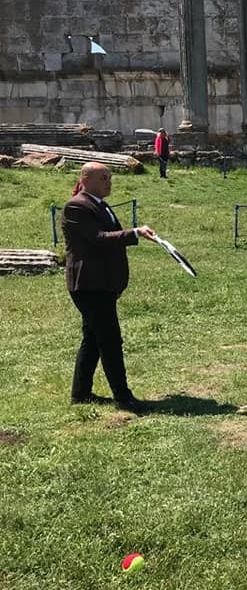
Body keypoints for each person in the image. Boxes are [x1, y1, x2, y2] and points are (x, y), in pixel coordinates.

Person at [62, 162, 156, 413]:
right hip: (89, 285)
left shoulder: (99, 204)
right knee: (110, 340)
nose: (109, 182)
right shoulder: (77, 206)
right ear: (86, 179)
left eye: (110, 177)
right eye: (103, 178)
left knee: (92, 339)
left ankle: (80, 393)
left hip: (102, 283)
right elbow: (98, 239)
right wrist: (134, 232)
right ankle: (123, 398)